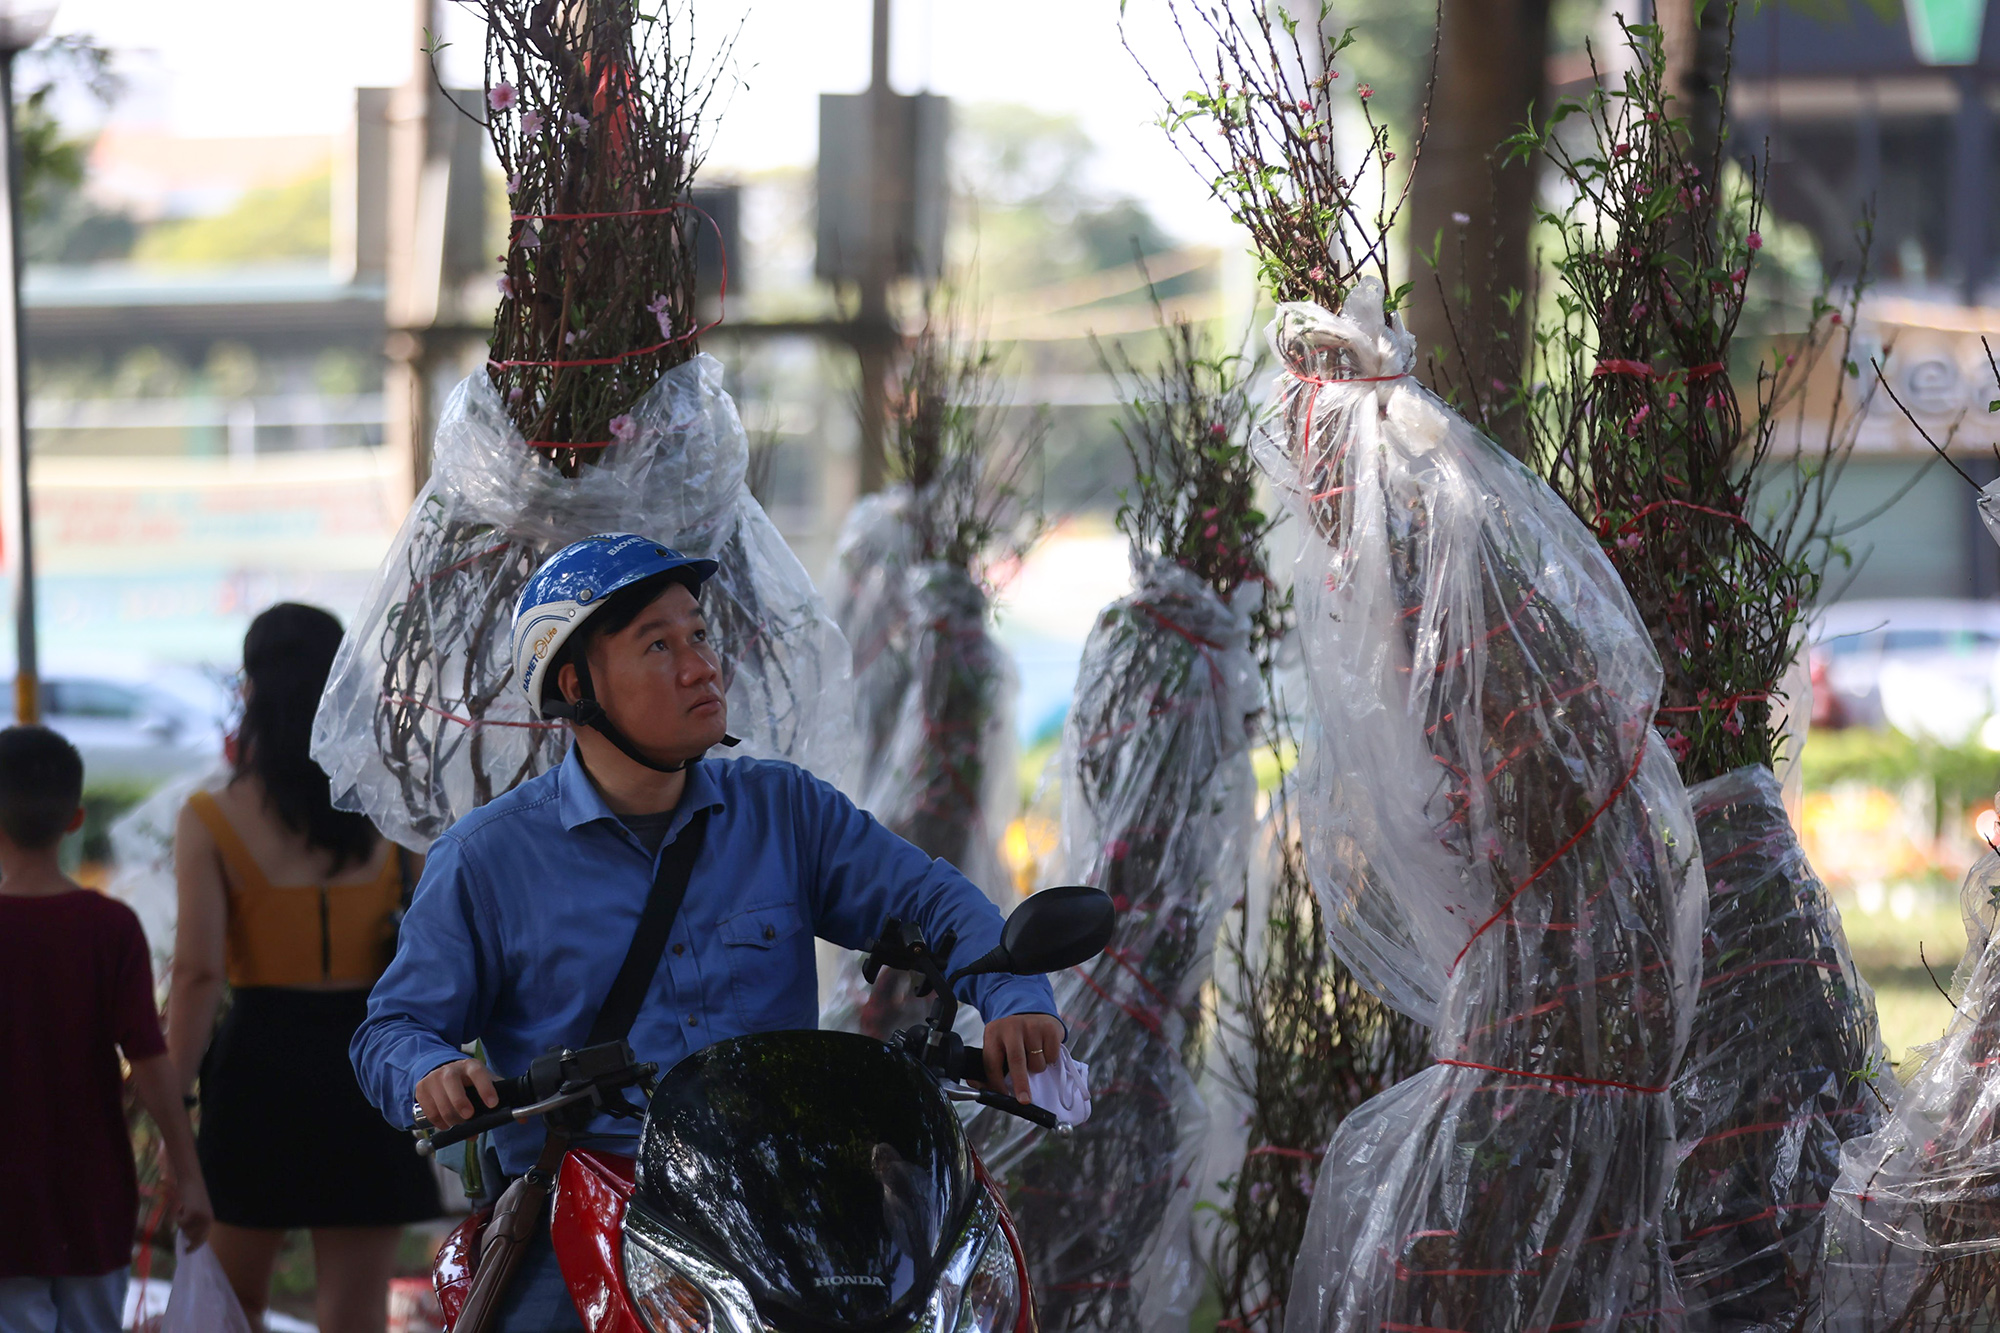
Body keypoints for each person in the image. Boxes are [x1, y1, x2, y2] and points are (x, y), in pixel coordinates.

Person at [352, 533, 1069, 1333]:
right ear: (574, 683)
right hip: (590, 1213)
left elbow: (936, 900)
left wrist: (1011, 993)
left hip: (787, 1214)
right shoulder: (486, 860)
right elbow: (393, 1028)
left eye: (699, 634)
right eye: (658, 645)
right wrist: (433, 1069)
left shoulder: (785, 811)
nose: (701, 665)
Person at [168, 604, 440, 1333]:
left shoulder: (212, 817)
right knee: (353, 1315)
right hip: (368, 1067)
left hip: (257, 1068)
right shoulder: (385, 806)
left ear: (250, 690)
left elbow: (196, 976)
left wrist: (167, 1106)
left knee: (232, 1305)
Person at [0, 725, 212, 1333]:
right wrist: (186, 1171)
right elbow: (148, 1057)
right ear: (76, 820)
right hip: (91, 1193)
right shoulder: (109, 927)